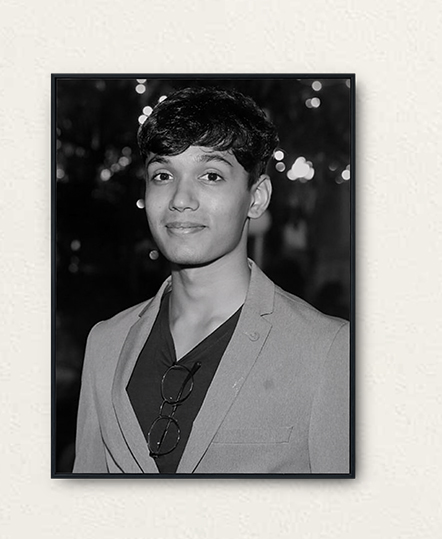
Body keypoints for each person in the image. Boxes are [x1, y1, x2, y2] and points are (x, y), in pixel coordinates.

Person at [73, 87, 350, 474]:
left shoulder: (326, 351)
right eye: (163, 174)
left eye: (211, 175)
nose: (180, 198)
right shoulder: (105, 343)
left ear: (256, 198)